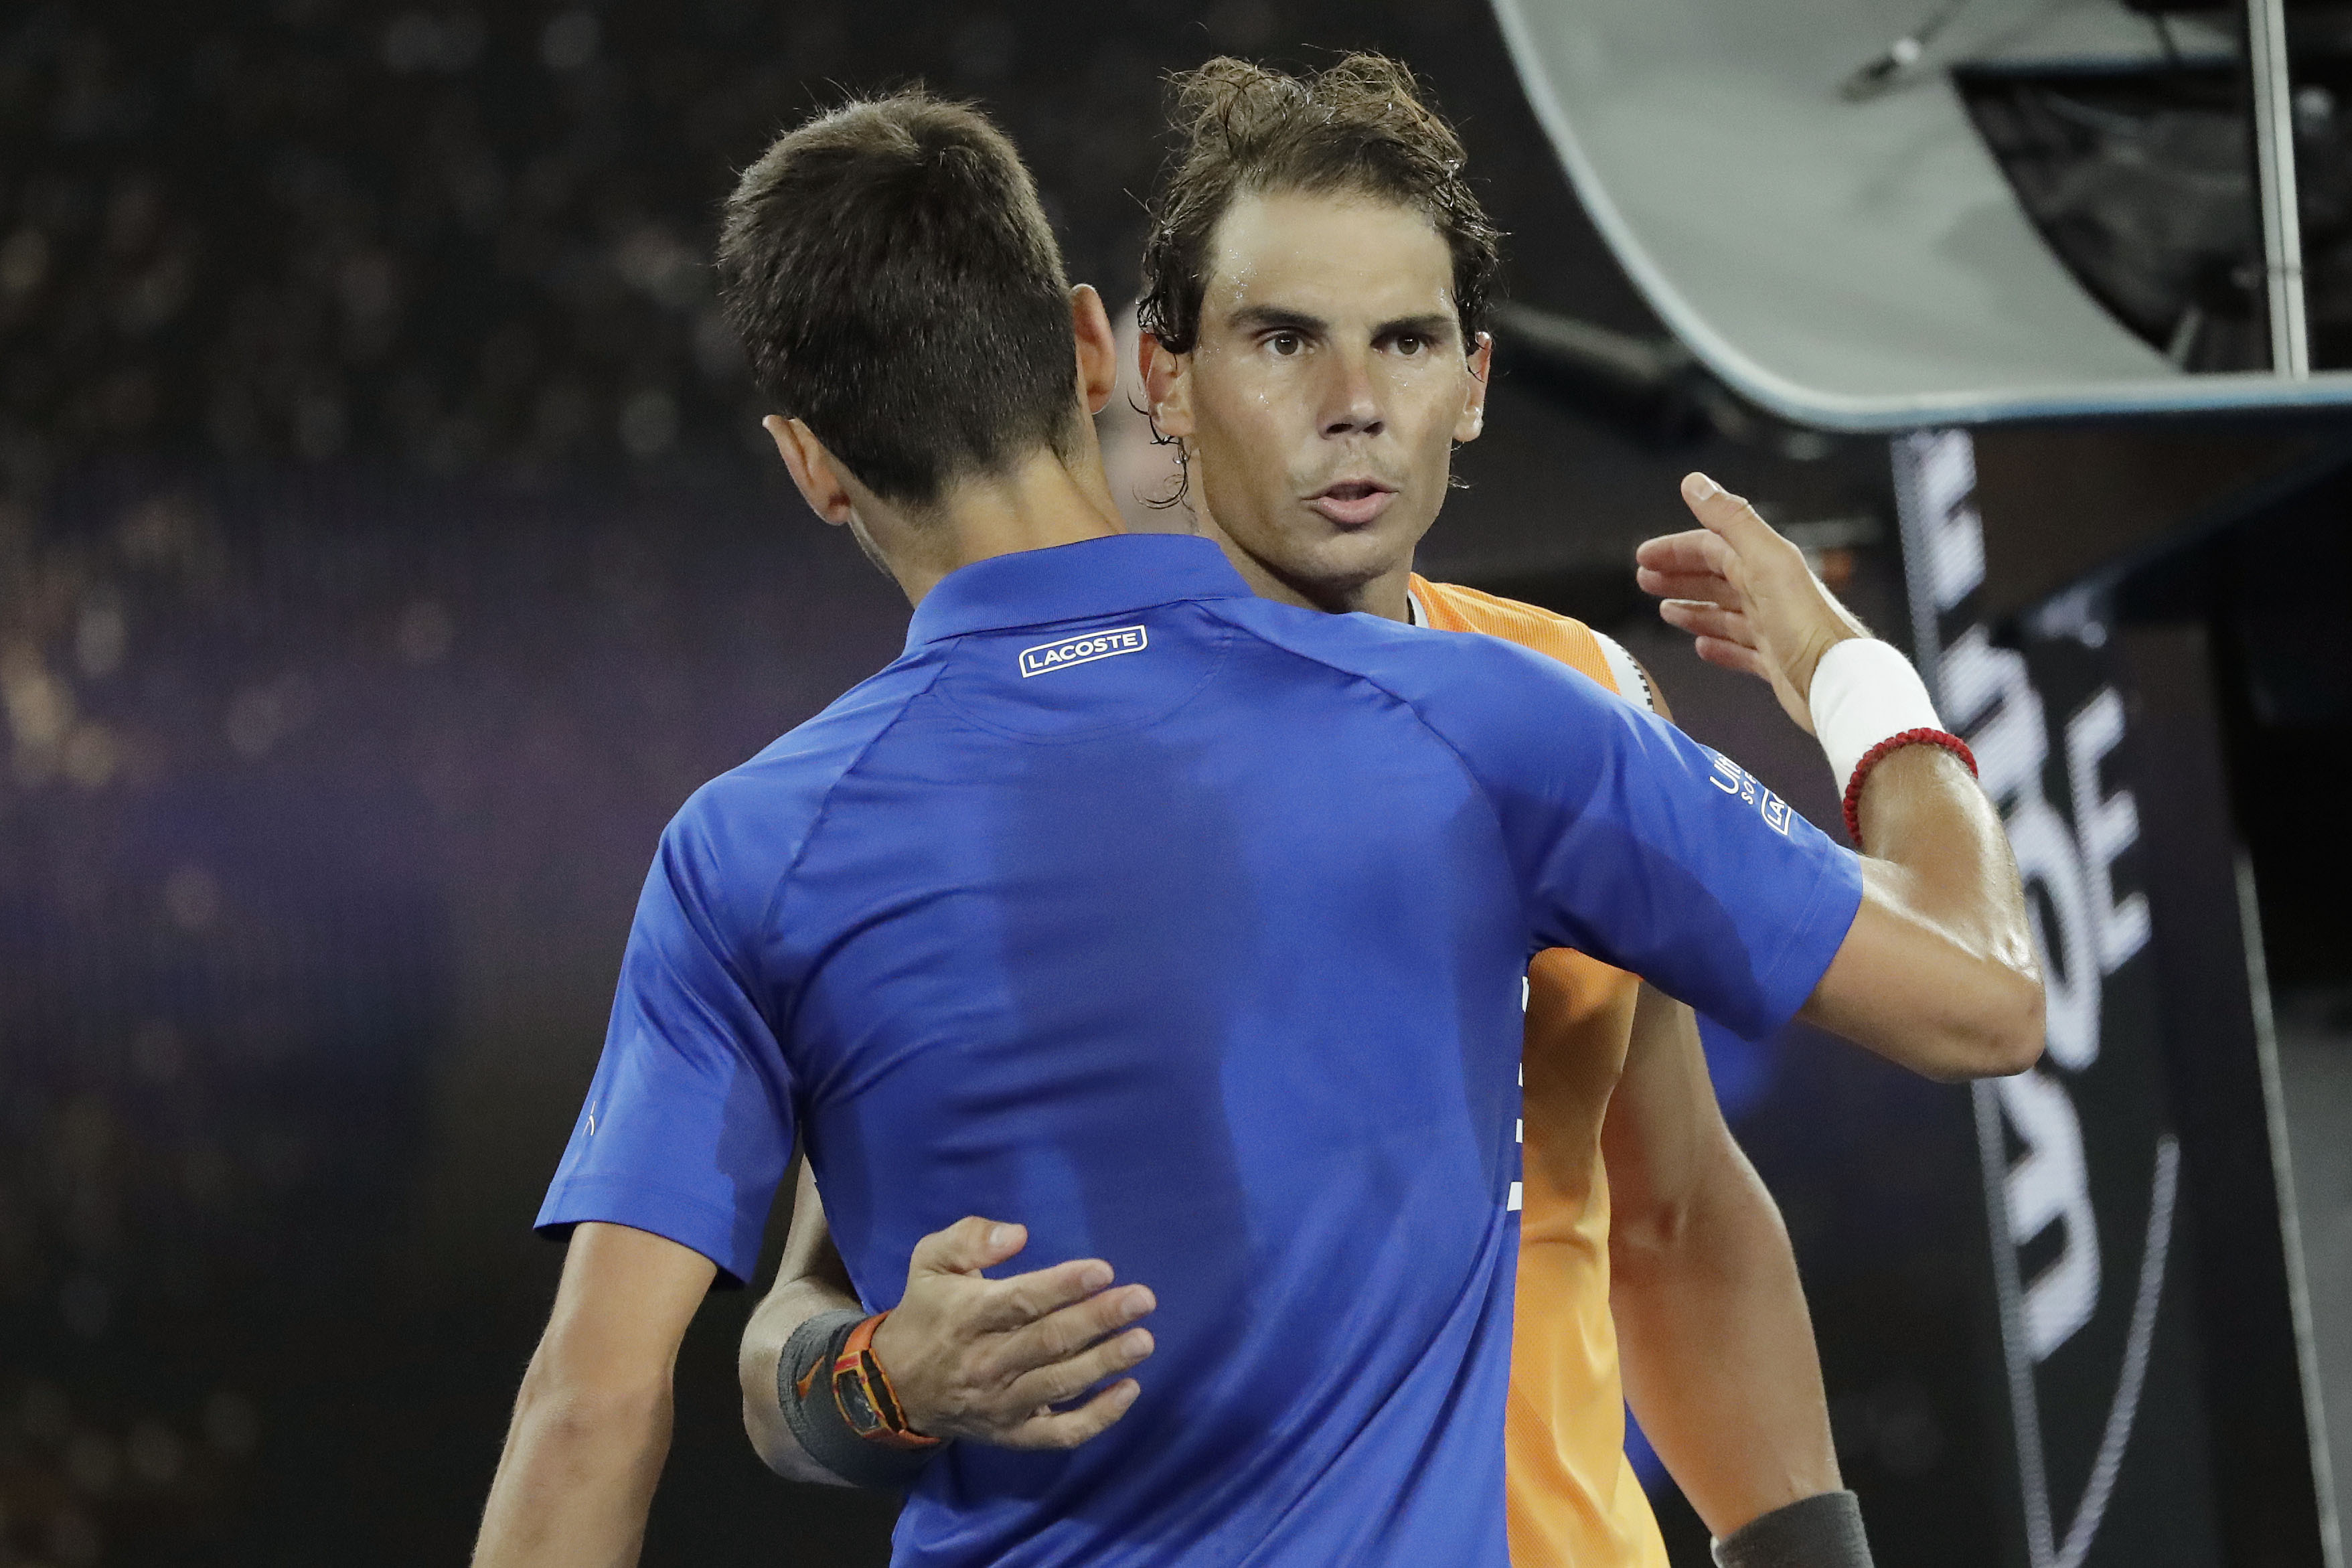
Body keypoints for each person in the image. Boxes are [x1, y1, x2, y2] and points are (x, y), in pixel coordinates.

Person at [470, 88, 2039, 1568]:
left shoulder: (1545, 693)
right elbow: (803, 1336)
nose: (1350, 409)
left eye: (1404, 342)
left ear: (810, 465)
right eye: (1282, 340)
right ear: (1133, 362)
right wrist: (1856, 679)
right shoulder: (1487, 727)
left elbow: (1680, 1208)